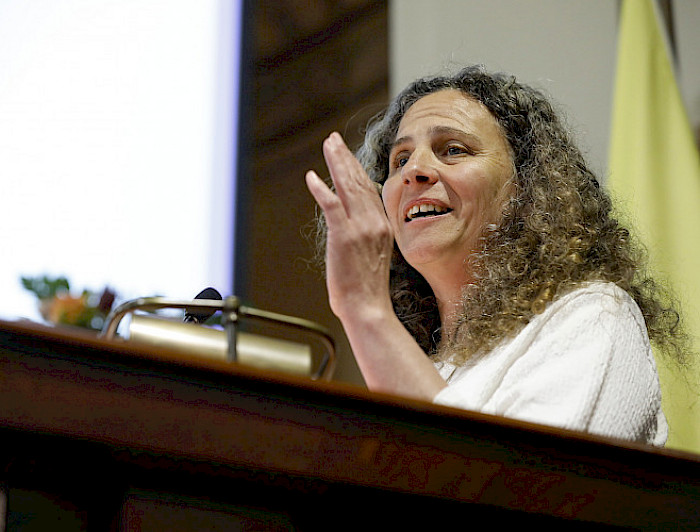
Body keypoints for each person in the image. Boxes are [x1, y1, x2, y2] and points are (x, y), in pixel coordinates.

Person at [305, 65, 686, 445]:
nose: (414, 170)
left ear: (525, 188)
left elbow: (520, 491)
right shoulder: (415, 365)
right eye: (400, 159)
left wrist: (367, 311)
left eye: (453, 150)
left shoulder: (594, 314)